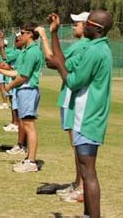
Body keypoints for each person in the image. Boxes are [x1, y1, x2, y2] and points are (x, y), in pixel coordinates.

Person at [47, 10, 113, 218]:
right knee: (85, 170)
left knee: (89, 172)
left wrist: (58, 65)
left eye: (89, 23)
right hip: (86, 116)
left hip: (88, 117)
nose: (85, 25)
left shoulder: (95, 51)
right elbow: (68, 66)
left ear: (99, 29)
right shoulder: (98, 48)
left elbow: (74, 81)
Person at [36, 12, 90, 203]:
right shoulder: (79, 45)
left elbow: (55, 61)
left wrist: (47, 35)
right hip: (69, 98)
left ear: (86, 25)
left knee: (78, 147)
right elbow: (55, 61)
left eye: (77, 23)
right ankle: (78, 184)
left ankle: (82, 188)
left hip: (73, 99)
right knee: (75, 146)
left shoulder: (84, 46)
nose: (74, 26)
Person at [0, 22, 44, 173]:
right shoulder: (27, 51)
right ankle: (29, 158)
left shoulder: (33, 52)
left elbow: (23, 76)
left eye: (22, 32)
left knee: (29, 126)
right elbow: (17, 72)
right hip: (24, 90)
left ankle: (31, 161)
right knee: (25, 124)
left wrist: (9, 86)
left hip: (28, 90)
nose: (20, 35)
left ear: (30, 34)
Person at [0, 33, 27, 154]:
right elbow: (5, 58)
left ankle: (17, 131)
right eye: (16, 38)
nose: (17, 39)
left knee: (21, 114)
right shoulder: (17, 51)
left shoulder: (19, 52)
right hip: (14, 81)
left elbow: (8, 62)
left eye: (19, 38)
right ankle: (16, 128)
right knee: (14, 104)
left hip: (19, 84)